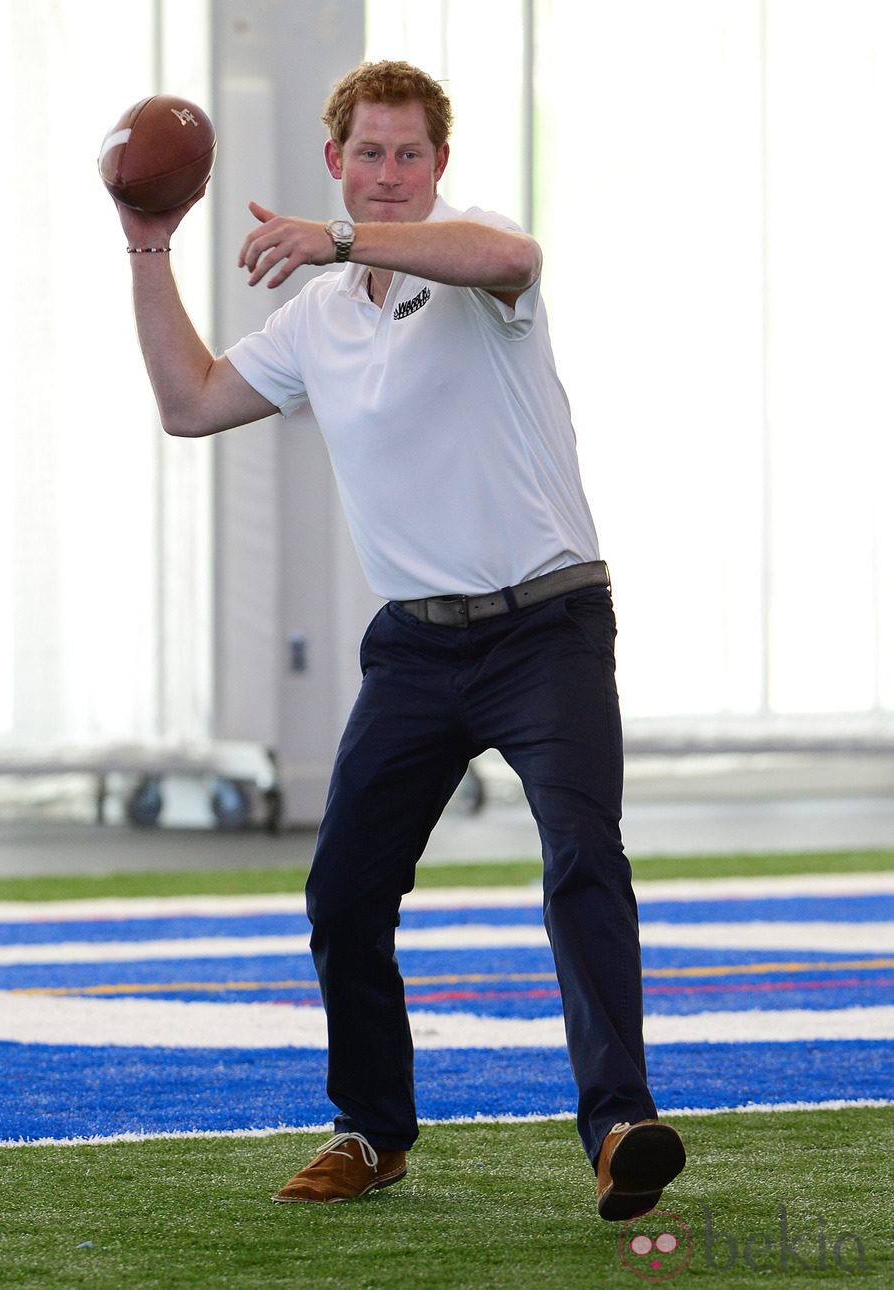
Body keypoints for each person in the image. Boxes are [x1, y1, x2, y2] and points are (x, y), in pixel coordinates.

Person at [112, 59, 685, 1220]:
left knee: (581, 852)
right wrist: (147, 244)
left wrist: (339, 238)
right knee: (341, 892)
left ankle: (618, 1123)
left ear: (437, 166)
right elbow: (189, 402)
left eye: (407, 155)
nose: (385, 175)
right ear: (335, 158)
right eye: (366, 154)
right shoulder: (316, 317)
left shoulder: (475, 256)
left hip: (547, 626)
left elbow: (508, 261)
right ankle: (371, 1134)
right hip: (416, 650)